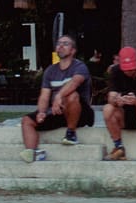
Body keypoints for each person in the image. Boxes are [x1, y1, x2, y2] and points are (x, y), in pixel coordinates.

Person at [18, 33, 90, 163]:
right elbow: (44, 95)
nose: (60, 46)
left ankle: (71, 134)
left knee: (72, 95)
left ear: (73, 50)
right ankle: (32, 152)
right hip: (57, 111)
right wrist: (41, 111)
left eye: (65, 44)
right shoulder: (50, 71)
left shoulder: (80, 67)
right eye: (59, 44)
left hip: (79, 112)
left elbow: (75, 82)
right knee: (27, 120)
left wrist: (59, 96)